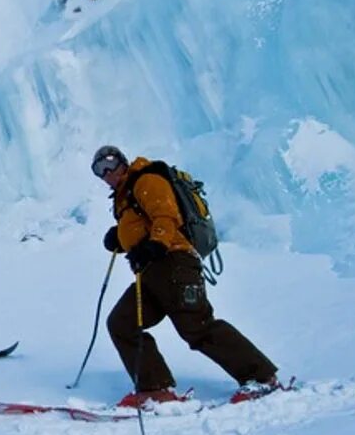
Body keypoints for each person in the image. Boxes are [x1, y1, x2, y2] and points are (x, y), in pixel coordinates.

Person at [91, 145, 280, 406]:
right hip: (150, 272)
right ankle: (154, 389)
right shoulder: (125, 199)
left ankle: (261, 377)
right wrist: (121, 239)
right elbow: (142, 228)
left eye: (110, 164)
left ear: (123, 162)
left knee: (197, 326)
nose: (107, 172)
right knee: (123, 323)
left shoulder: (146, 180)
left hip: (174, 263)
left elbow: (166, 215)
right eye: (100, 170)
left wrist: (155, 245)